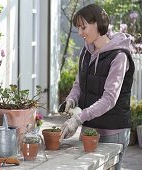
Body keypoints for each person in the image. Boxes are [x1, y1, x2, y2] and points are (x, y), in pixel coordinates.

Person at [59, 4, 135, 170]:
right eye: (78, 28)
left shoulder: (119, 55)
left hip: (113, 131)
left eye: (83, 27)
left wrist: (78, 118)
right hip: (89, 129)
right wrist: (71, 99)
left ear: (98, 24)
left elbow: (109, 99)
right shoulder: (86, 52)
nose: (80, 33)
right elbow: (79, 84)